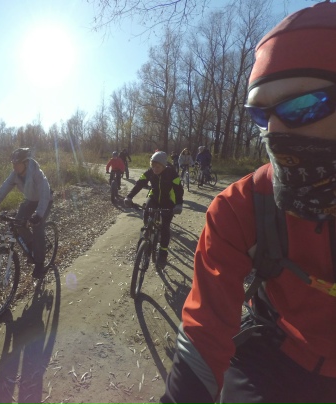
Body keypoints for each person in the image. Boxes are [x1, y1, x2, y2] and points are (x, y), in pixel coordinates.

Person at [160, 3, 336, 403]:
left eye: (300, 107)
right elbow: (204, 332)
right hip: (273, 356)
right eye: (260, 115)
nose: (273, 130)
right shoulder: (241, 208)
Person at [0, 147, 53, 280]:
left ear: (25, 163)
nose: (14, 166)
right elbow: (2, 190)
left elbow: (44, 193)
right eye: (13, 163)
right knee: (18, 223)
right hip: (30, 200)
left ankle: (40, 263)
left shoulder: (36, 173)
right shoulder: (15, 175)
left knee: (37, 228)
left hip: (45, 200)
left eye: (17, 164)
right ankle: (32, 246)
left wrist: (38, 215)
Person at [123, 151, 183, 269]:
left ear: (163, 166)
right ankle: (147, 238)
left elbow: (178, 190)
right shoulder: (150, 172)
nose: (155, 169)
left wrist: (179, 204)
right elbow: (139, 184)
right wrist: (129, 197)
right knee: (147, 214)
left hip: (168, 201)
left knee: (165, 227)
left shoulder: (171, 173)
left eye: (158, 167)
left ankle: (163, 254)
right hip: (154, 198)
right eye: (153, 166)